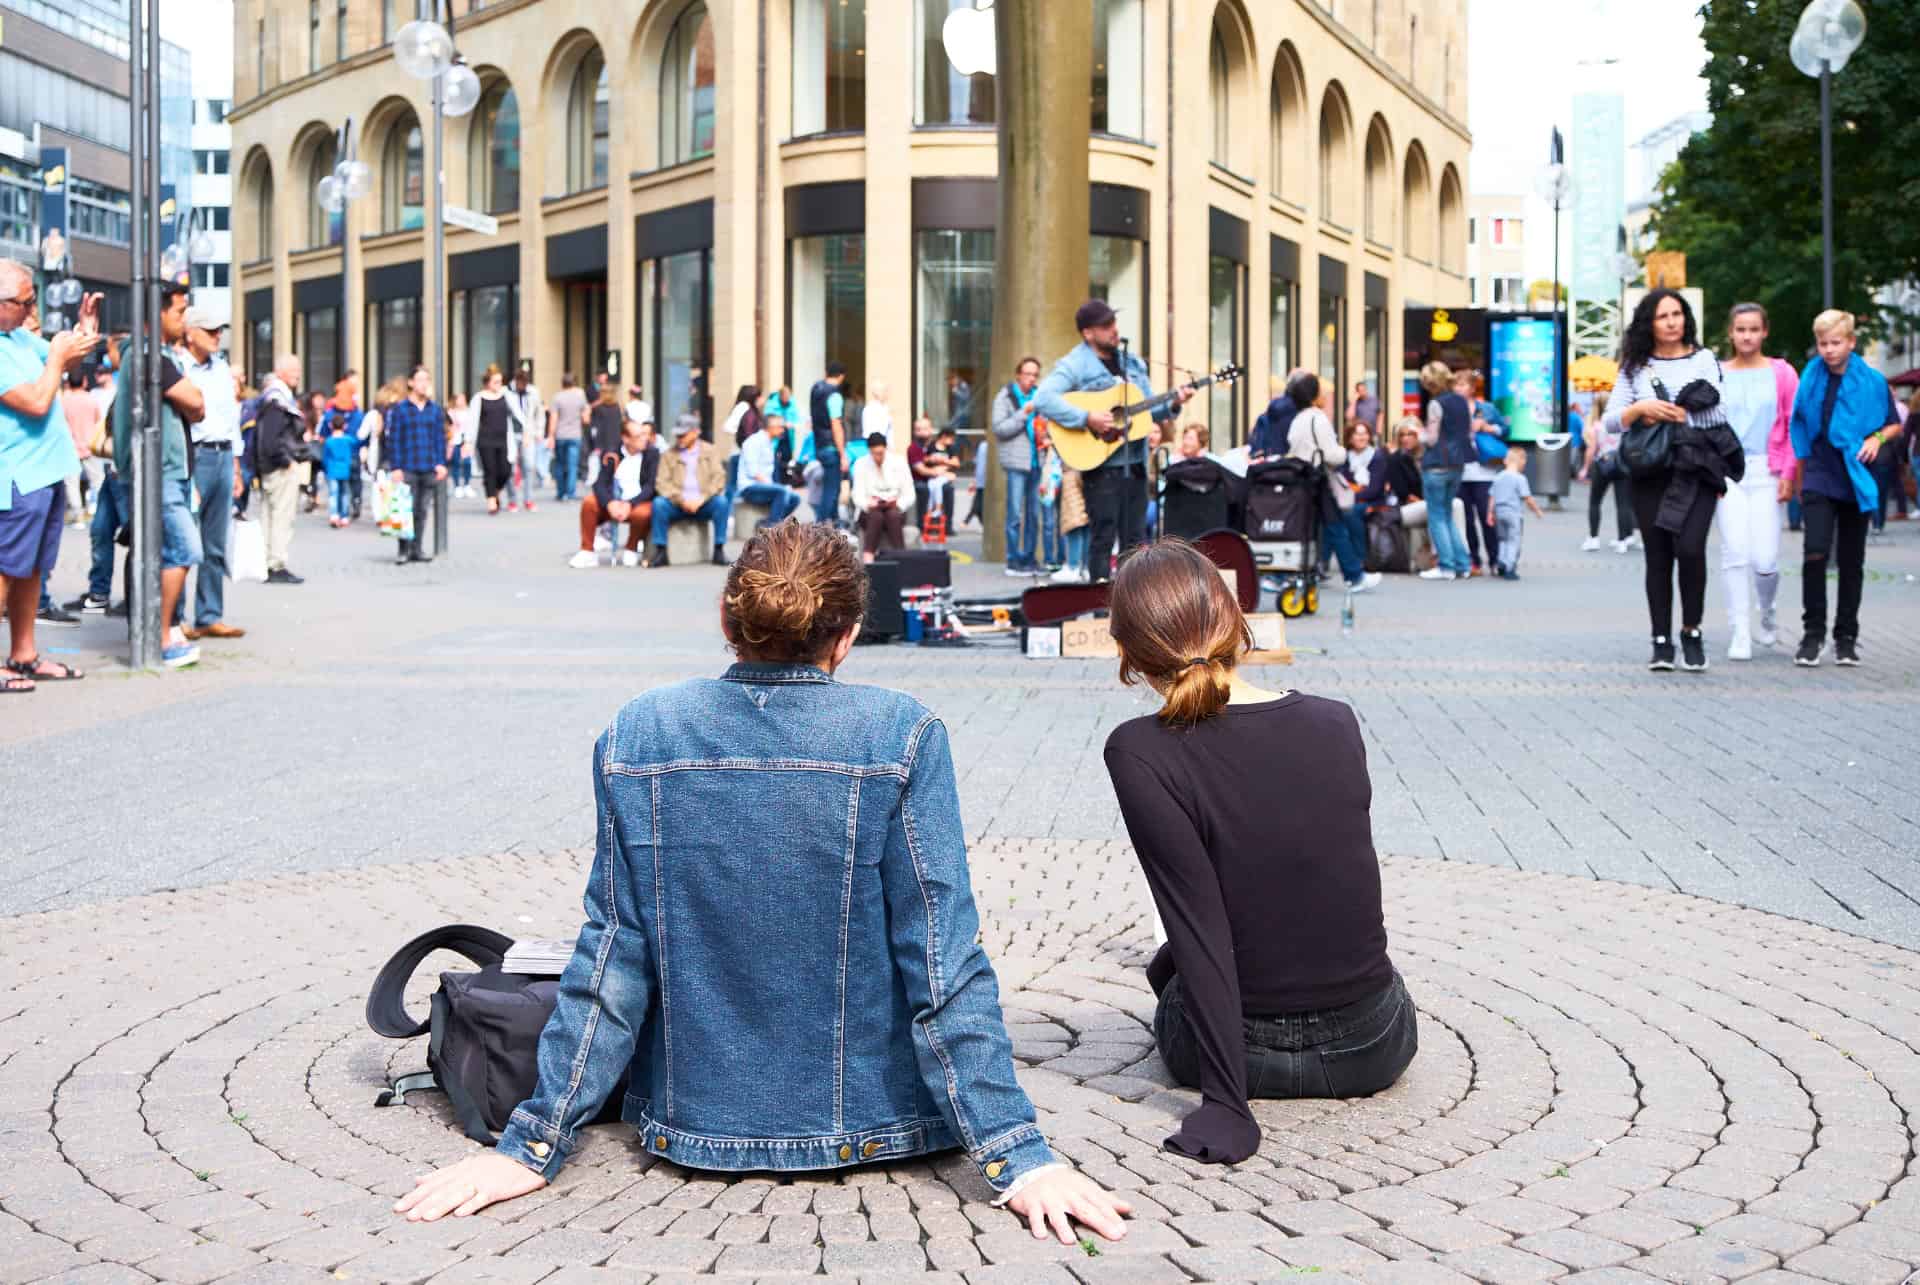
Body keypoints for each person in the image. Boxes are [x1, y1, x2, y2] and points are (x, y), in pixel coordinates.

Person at [395, 522, 1132, 1243]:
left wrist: (529, 1144)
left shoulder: (640, 732)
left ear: (728, 616)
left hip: (693, 1122)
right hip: (875, 1124)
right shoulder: (899, 732)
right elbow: (942, 960)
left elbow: (612, 959)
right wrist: (1018, 1154)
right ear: (846, 636)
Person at [1101, 539, 1416, 1165]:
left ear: (1129, 655)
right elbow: (1320, 872)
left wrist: (1226, 1102)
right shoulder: (1336, 722)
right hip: (1371, 1045)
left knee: (1169, 973)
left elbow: (1197, 928)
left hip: (1234, 1054)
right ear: (1235, 622)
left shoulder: (1138, 751)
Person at [1605, 287, 1742, 673]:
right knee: (1658, 555)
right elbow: (1611, 420)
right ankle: (1661, 640)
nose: (1671, 322)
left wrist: (1679, 415)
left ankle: (1692, 631)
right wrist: (1640, 408)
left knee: (1692, 549)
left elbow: (1720, 414)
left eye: (1676, 314)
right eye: (1662, 316)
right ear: (1650, 323)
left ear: (1686, 319)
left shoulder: (1703, 359)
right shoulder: (1635, 367)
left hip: (1694, 468)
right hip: (1650, 471)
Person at [1032, 299, 1193, 583]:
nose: (1113, 330)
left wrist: (1173, 403)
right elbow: (1043, 398)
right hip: (1103, 465)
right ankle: (1099, 605)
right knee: (1103, 536)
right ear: (1088, 333)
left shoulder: (1132, 363)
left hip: (1136, 462)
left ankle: (1133, 604)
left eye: (1114, 323)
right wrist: (1086, 418)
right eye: (1106, 326)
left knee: (1136, 540)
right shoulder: (1075, 364)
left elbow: (1144, 411)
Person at [0, 258, 100, 691]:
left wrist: (83, 332)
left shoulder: (19, 338)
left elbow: (70, 360)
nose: (31, 310)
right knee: (5, 570)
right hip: (16, 475)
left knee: (31, 570)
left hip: (45, 473)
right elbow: (38, 400)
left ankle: (24, 654)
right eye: (24, 302)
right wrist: (59, 355)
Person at [1787, 309, 1899, 668]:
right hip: (1820, 470)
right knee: (1815, 551)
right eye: (1823, 343)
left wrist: (1876, 438)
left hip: (1856, 472)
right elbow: (1800, 421)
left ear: (1851, 342)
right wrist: (1798, 473)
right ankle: (1812, 634)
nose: (1829, 350)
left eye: (1836, 343)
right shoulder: (1811, 376)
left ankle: (1846, 637)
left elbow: (1893, 425)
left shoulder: (1872, 381)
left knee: (1852, 560)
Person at [110, 281, 208, 666]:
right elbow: (195, 402)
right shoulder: (149, 356)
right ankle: (161, 636)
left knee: (161, 550)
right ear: (158, 314)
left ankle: (157, 632)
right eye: (179, 312)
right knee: (184, 548)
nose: (184, 320)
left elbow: (195, 405)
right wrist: (190, 402)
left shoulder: (153, 355)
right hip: (159, 472)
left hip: (166, 471)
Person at [1716, 303, 1799, 659]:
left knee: (1765, 559)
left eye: (1753, 329)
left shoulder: (1781, 372)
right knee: (1735, 552)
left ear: (1765, 332)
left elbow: (1796, 424)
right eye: (1740, 329)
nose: (1746, 336)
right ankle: (1740, 631)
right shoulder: (1717, 373)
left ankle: (1767, 611)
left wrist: (1790, 474)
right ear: (1730, 333)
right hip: (1728, 471)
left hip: (1769, 469)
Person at [1285, 371, 1381, 596]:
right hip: (1318, 478)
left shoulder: (1297, 420)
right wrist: (1342, 452)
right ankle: (1354, 575)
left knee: (1312, 528)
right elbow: (1332, 455)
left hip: (1301, 478)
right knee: (1335, 526)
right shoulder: (1318, 419)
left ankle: (1302, 571)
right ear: (1314, 395)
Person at [251, 354, 307, 585]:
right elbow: (272, 439)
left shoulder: (270, 398)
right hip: (279, 467)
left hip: (269, 466)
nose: (298, 373)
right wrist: (286, 461)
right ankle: (276, 564)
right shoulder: (278, 400)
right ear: (281, 371)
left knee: (269, 515)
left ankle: (267, 562)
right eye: (294, 369)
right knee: (281, 517)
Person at [571, 419, 657, 568]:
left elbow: (651, 486)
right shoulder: (612, 453)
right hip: (614, 501)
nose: (644, 439)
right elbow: (600, 483)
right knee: (589, 503)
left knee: (644, 513)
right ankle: (587, 551)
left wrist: (630, 504)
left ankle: (632, 546)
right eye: (638, 436)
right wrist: (610, 503)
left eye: (644, 435)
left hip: (637, 502)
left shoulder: (652, 454)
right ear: (626, 438)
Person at [1416, 360, 1474, 582]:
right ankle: (1463, 565)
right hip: (1457, 464)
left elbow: (1431, 438)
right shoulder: (1462, 401)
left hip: (1437, 464)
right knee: (1447, 515)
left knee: (1437, 517)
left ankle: (1446, 566)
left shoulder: (1435, 404)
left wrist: (1417, 434)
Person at [385, 365, 449, 565]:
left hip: (428, 465)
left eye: (426, 380)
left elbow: (439, 438)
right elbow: (393, 439)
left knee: (422, 510)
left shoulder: (434, 410)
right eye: (420, 380)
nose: (424, 384)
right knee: (406, 509)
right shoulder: (401, 409)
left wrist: (440, 463)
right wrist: (395, 467)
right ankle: (403, 549)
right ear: (411, 383)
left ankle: (417, 548)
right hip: (407, 465)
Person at [648, 414, 730, 567]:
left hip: (703, 502)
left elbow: (719, 478)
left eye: (683, 435)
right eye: (677, 435)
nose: (679, 438)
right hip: (678, 503)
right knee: (658, 504)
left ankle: (719, 549)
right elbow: (661, 483)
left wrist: (702, 499)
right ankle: (661, 551)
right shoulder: (668, 454)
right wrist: (681, 500)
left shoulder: (710, 451)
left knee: (722, 503)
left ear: (695, 432)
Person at [991, 356, 1046, 576]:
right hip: (1016, 462)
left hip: (1037, 461)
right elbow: (1000, 428)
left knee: (1034, 514)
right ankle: (1013, 560)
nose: (1031, 378)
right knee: (1015, 514)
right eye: (1027, 374)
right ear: (1018, 374)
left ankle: (1030, 559)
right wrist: (1023, 414)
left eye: (1035, 374)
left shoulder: (1041, 396)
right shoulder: (1005, 397)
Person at [1578, 392, 1638, 553]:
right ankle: (1622, 540)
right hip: (1622, 464)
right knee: (1623, 504)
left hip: (1602, 464)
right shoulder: (1623, 424)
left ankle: (1593, 538)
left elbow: (1591, 450)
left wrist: (1584, 468)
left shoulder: (1597, 425)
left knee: (1595, 502)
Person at [852, 429, 914, 560]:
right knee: (876, 516)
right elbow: (857, 495)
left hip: (895, 510)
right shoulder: (860, 464)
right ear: (869, 451)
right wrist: (869, 504)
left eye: (880, 453)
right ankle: (869, 556)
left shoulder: (899, 462)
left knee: (892, 514)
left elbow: (909, 494)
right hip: (869, 512)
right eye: (874, 453)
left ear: (886, 449)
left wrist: (897, 503)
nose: (878, 457)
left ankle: (900, 556)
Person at [735, 412, 804, 525]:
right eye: (780, 427)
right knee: (782, 491)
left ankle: (776, 523)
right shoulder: (753, 442)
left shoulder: (769, 443)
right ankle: (771, 526)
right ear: (771, 427)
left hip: (764, 486)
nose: (783, 430)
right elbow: (753, 472)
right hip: (749, 487)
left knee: (795, 498)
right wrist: (776, 486)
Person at [1488, 447, 1545, 580]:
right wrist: (1537, 511)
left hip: (1499, 512)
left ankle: (1501, 561)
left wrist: (1490, 513)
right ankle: (1510, 567)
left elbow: (1492, 496)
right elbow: (1527, 498)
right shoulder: (1520, 478)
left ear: (1505, 461)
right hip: (1513, 514)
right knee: (1513, 540)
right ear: (1521, 462)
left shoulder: (1498, 477)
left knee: (1503, 539)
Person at [809, 361, 849, 527]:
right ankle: (820, 528)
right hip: (831, 446)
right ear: (841, 376)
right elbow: (836, 424)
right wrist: (842, 453)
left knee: (831, 487)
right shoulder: (834, 395)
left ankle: (833, 524)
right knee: (831, 491)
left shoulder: (816, 390)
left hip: (819, 444)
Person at [506, 363, 548, 514]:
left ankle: (528, 499)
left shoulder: (533, 392)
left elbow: (539, 413)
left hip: (528, 434)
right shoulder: (507, 393)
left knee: (529, 466)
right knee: (510, 468)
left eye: (525, 384)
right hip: (510, 434)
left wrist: (539, 432)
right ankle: (512, 500)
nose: (522, 387)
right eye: (520, 384)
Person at [472, 364, 513, 513]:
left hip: (503, 440)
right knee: (490, 470)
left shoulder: (506, 395)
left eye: (500, 382)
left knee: (505, 471)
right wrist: (469, 442)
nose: (499, 385)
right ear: (487, 382)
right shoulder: (479, 398)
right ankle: (491, 502)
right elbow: (473, 420)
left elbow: (518, 413)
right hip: (486, 440)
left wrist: (528, 430)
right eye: (496, 382)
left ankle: (495, 492)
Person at [909, 415, 958, 532]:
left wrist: (944, 467)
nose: (922, 432)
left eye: (925, 429)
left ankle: (947, 526)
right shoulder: (913, 448)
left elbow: (954, 462)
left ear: (931, 430)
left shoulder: (935, 445)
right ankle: (924, 525)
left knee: (948, 489)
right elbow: (921, 470)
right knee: (924, 489)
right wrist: (941, 472)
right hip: (920, 480)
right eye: (918, 429)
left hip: (938, 478)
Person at [550, 373, 587, 502]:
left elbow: (553, 418)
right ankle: (570, 492)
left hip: (561, 434)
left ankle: (561, 492)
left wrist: (550, 435)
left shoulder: (557, 397)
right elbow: (586, 418)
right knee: (572, 465)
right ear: (574, 384)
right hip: (575, 434)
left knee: (559, 464)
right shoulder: (579, 398)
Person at [323, 413, 356, 528]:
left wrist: (326, 470)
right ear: (344, 426)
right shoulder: (349, 440)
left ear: (331, 426)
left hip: (332, 470)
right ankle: (344, 516)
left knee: (333, 494)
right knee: (345, 493)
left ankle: (334, 515)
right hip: (345, 470)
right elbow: (356, 446)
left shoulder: (329, 441)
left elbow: (326, 458)